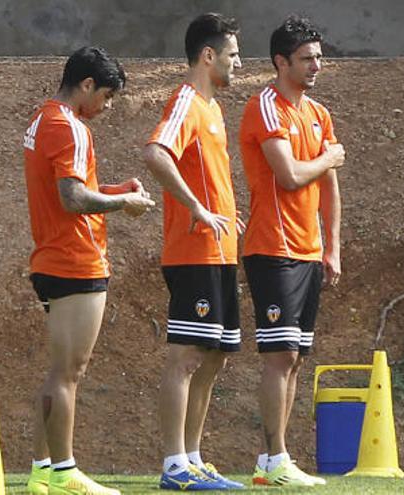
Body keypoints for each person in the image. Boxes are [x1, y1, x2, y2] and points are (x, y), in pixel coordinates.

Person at [23, 46, 155, 495]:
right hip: (75, 260)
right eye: (107, 96)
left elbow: (67, 192)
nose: (107, 107)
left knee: (58, 370)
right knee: (69, 373)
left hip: (53, 256)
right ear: (86, 86)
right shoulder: (69, 126)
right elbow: (72, 198)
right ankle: (64, 472)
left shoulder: (44, 118)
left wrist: (116, 190)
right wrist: (124, 203)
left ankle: (44, 469)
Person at [238, 15, 345, 488]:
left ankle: (277, 458)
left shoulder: (318, 113)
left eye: (319, 57)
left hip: (308, 248)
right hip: (272, 246)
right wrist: (327, 158)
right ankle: (272, 457)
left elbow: (329, 188)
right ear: (281, 61)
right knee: (280, 355)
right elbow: (290, 175)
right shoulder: (266, 107)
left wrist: (333, 246)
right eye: (307, 58)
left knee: (297, 355)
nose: (316, 65)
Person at [142, 12, 245, 492]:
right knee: (186, 356)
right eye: (233, 54)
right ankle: (173, 465)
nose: (239, 64)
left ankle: (194, 458)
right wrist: (199, 210)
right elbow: (156, 154)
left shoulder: (213, 108)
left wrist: (223, 213)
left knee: (214, 358)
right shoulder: (185, 100)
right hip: (193, 252)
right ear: (208, 56)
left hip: (220, 252)